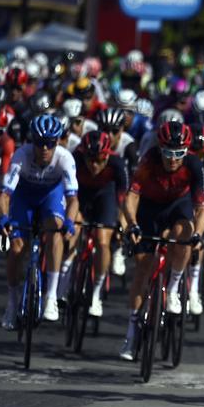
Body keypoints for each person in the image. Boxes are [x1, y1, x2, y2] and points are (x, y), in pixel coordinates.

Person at [120, 121, 204, 360]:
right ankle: (131, 332)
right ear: (160, 149)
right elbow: (131, 197)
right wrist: (131, 223)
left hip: (179, 206)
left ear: (186, 151)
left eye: (178, 153)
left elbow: (201, 208)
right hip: (150, 208)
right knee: (143, 269)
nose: (172, 159)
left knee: (184, 232)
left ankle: (176, 287)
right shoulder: (149, 159)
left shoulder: (193, 165)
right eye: (168, 152)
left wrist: (198, 234)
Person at [0, 114, 80, 326]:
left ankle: (51, 297)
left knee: (56, 230)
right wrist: (4, 218)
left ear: (58, 142)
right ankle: (12, 304)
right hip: (24, 197)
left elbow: (73, 199)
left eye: (50, 143)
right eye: (40, 142)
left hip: (50, 197)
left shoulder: (64, 158)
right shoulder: (21, 155)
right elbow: (5, 194)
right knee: (17, 248)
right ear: (31, 141)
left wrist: (70, 221)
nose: (44, 148)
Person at [72, 130, 128, 318]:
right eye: (90, 160)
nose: (94, 165)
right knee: (73, 229)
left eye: (100, 160)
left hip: (105, 196)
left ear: (107, 156)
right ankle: (63, 281)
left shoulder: (117, 164)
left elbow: (124, 200)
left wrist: (121, 223)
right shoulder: (76, 159)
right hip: (80, 194)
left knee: (103, 241)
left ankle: (96, 292)